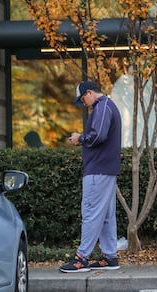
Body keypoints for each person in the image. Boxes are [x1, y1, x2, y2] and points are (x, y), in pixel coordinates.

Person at [60, 81, 122, 273]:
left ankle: (81, 258)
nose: (84, 103)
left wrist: (80, 138)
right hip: (105, 169)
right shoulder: (107, 106)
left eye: (82, 99)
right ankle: (109, 256)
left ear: (89, 92)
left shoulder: (102, 107)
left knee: (91, 213)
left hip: (98, 169)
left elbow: (97, 136)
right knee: (105, 216)